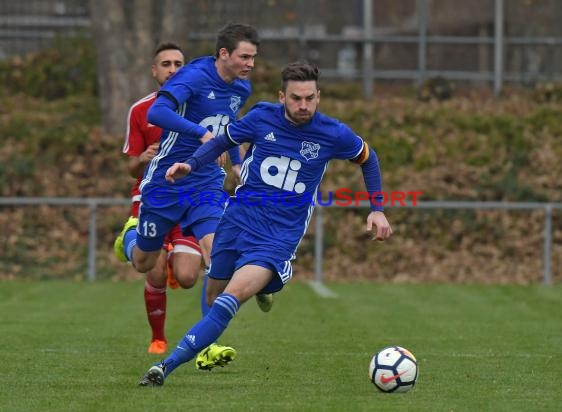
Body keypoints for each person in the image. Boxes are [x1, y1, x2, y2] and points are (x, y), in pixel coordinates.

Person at [138, 61, 393, 387]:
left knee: (228, 300)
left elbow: (368, 158)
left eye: (310, 98)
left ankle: (165, 366)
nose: (304, 106)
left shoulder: (332, 133)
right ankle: (268, 285)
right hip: (237, 222)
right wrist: (190, 164)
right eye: (296, 98)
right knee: (214, 296)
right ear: (281, 96)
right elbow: (221, 142)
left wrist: (377, 209)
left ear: (319, 96)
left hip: (276, 238)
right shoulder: (260, 118)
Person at [114, 23, 260, 370]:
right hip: (165, 183)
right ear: (224, 54)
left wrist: (237, 164)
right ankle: (129, 236)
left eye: (254, 57)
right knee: (144, 263)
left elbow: (232, 125)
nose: (251, 63)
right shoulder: (193, 77)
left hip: (205, 183)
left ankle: (207, 343)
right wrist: (201, 133)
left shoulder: (242, 86)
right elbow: (157, 113)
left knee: (217, 252)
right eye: (245, 56)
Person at [117, 42, 205, 355]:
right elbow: (130, 167)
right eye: (165, 64)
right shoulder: (141, 111)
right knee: (152, 268)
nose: (172, 69)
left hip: (187, 201)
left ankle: (167, 259)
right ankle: (158, 338)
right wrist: (142, 158)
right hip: (151, 198)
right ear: (155, 71)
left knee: (187, 277)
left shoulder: (202, 109)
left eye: (178, 63)